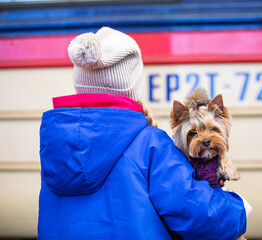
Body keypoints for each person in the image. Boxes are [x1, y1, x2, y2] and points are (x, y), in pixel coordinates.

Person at [37, 27, 249, 240]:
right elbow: (199, 216)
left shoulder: (54, 142)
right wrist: (238, 207)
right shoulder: (149, 143)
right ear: (131, 86)